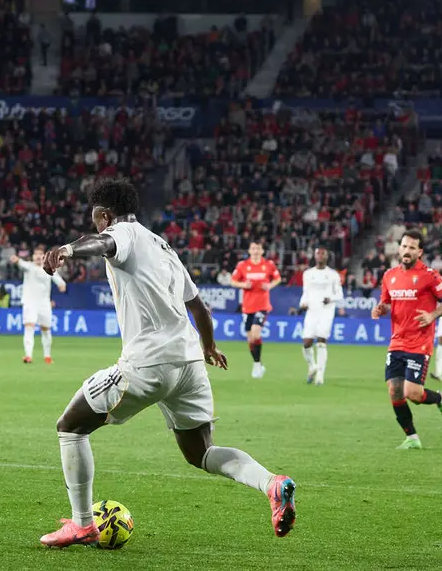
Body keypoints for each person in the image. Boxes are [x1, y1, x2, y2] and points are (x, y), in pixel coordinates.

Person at [37, 179, 297, 547]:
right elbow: (198, 306)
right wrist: (208, 346)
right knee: (201, 452)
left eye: (98, 219)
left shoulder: (121, 233)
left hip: (148, 363)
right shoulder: (163, 247)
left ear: (105, 215)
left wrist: (67, 249)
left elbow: (105, 243)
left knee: (70, 426)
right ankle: (270, 483)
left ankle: (82, 524)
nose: (98, 226)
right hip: (190, 362)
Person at [371, 231, 442, 450]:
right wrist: (381, 309)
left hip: (420, 342)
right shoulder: (390, 275)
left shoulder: (429, 275)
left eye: (412, 248)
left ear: (420, 252)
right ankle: (412, 437)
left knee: (413, 393)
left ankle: (440, 399)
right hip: (397, 341)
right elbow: (386, 303)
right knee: (394, 391)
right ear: (399, 248)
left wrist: (431, 315)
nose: (407, 251)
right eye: (404, 246)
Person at [228, 242, 282, 378]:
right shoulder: (242, 265)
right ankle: (257, 363)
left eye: (258, 248)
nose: (256, 251)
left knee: (256, 333)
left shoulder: (268, 264)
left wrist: (269, 285)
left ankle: (257, 366)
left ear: (262, 251)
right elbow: (233, 281)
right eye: (253, 248)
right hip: (247, 306)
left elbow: (278, 278)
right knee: (251, 338)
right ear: (249, 250)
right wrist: (243, 284)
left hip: (262, 305)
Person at [11, 247, 68, 364]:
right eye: (35, 254)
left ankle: (47, 356)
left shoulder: (49, 269)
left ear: (44, 256)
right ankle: (28, 356)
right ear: (32, 257)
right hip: (29, 302)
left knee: (46, 330)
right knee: (29, 327)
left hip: (44, 303)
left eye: (40, 254)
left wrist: (62, 286)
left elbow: (61, 282)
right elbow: (20, 262)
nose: (37, 256)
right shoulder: (29, 267)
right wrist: (16, 259)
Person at [300, 246, 342, 386]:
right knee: (307, 342)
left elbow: (339, 294)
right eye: (318, 253)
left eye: (323, 253)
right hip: (312, 311)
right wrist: (303, 303)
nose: (320, 256)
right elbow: (306, 292)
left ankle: (320, 376)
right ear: (314, 255)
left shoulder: (333, 274)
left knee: (321, 340)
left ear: (327, 256)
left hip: (326, 311)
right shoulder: (307, 274)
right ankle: (312, 366)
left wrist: (330, 298)